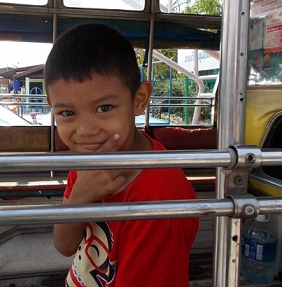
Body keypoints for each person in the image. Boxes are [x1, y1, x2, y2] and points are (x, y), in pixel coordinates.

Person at [44, 23, 199, 287]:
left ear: (139, 100)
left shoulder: (157, 203)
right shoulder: (90, 158)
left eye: (104, 108)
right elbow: (64, 244)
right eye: (67, 113)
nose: (86, 131)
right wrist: (81, 195)